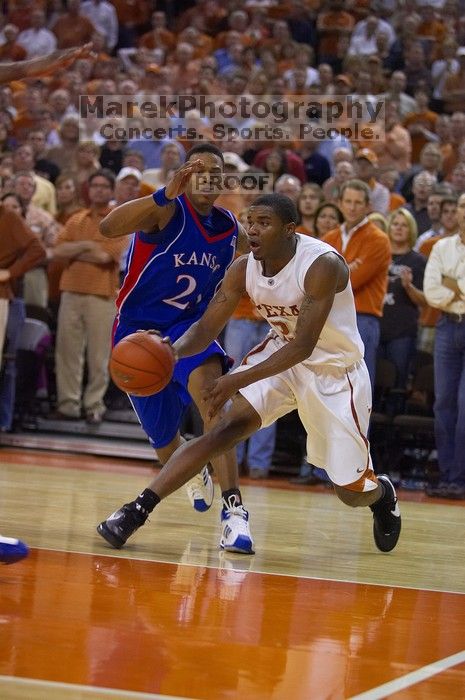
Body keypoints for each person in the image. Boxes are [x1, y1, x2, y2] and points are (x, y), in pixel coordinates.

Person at [97, 193, 401, 555]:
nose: (252, 230)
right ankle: (136, 511)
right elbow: (206, 327)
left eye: (263, 223)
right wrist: (170, 351)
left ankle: (381, 494)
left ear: (289, 230)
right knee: (223, 429)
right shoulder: (243, 268)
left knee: (349, 491)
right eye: (250, 222)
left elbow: (303, 347)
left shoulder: (322, 265)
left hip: (333, 373)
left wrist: (234, 379)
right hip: (280, 357)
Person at [97, 144, 253, 554]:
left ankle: (234, 512)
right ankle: (190, 461)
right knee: (165, 442)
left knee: (214, 403)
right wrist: (164, 192)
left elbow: (258, 265)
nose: (209, 177)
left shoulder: (230, 228)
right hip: (137, 336)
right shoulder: (166, 209)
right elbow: (108, 227)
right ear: (186, 175)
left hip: (191, 330)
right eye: (199, 170)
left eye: (216, 171)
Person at [323, 180, 392, 388]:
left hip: (362, 318)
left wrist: (334, 275)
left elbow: (353, 281)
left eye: (358, 202)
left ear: (368, 205)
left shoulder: (379, 239)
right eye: (348, 201)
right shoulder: (329, 237)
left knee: (358, 386)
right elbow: (314, 278)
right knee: (328, 384)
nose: (352, 207)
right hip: (327, 317)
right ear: (339, 203)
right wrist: (348, 268)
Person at [423, 191, 465, 500]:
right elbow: (432, 293)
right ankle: (448, 475)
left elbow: (445, 287)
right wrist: (453, 291)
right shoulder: (441, 246)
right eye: (462, 205)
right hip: (447, 325)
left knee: (464, 407)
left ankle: (459, 477)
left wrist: (453, 284)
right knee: (444, 404)